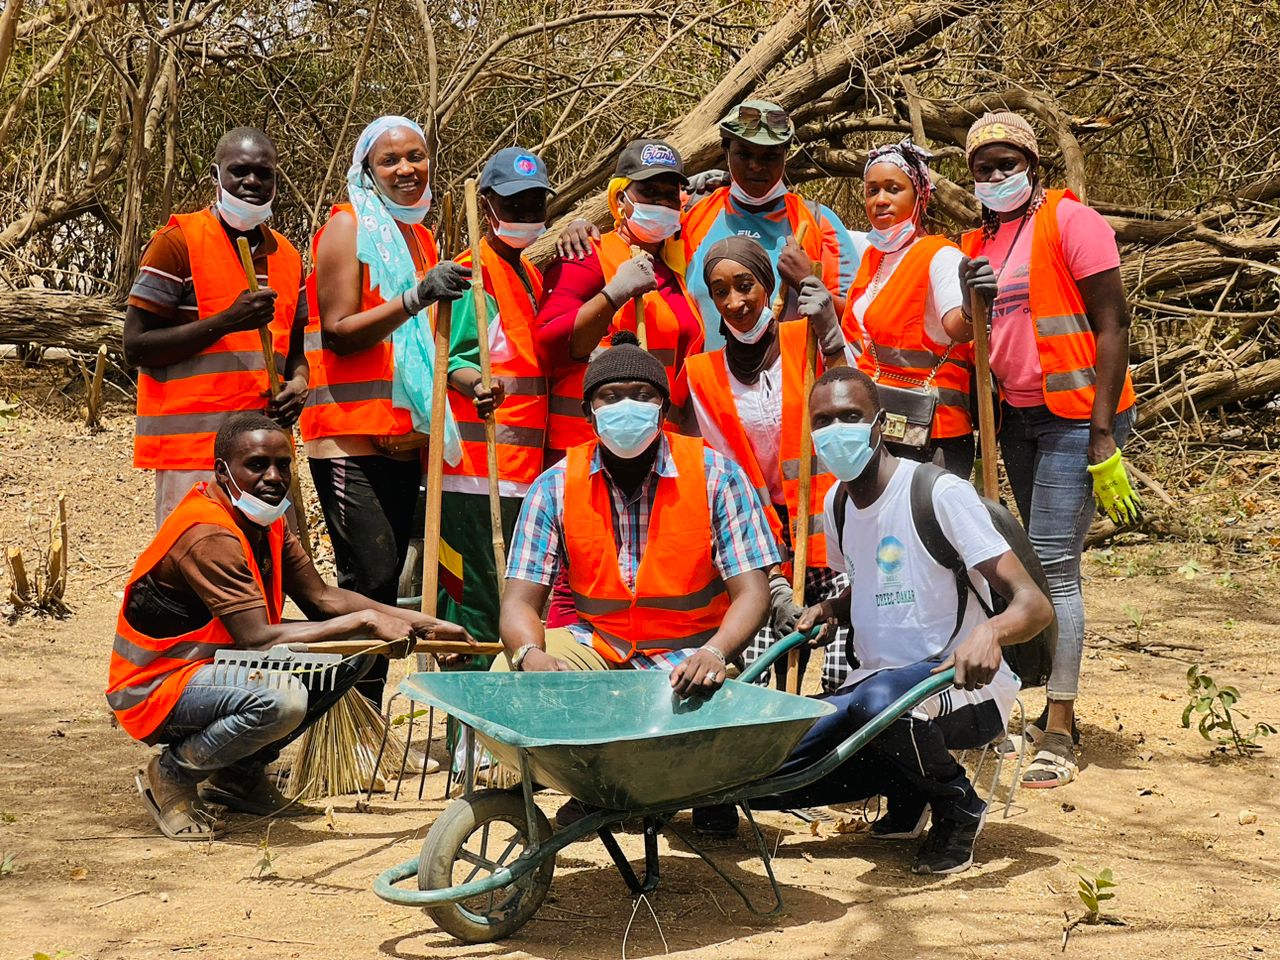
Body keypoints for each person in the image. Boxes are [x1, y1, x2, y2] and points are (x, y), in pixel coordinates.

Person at [107, 413, 473, 841]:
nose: (274, 477)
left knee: (357, 649)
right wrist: (369, 620)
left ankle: (239, 775)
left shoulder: (267, 521)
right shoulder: (209, 534)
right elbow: (257, 638)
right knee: (282, 700)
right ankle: (173, 773)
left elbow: (323, 598)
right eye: (257, 465)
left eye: (283, 464)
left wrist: (424, 624)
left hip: (212, 667)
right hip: (157, 688)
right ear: (222, 471)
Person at [757, 368, 1053, 875]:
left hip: (962, 686)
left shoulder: (937, 493)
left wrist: (990, 632)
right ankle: (908, 790)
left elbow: (1034, 604)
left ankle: (958, 807)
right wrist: (832, 609)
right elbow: (873, 580)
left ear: (880, 424)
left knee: (882, 705)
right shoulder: (837, 502)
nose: (836, 430)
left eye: (851, 416)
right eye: (823, 421)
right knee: (772, 770)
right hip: (876, 686)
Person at [497, 332, 778, 835]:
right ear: (589, 414)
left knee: (702, 701)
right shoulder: (555, 486)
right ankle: (594, 783)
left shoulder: (716, 476)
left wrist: (716, 652)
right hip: (602, 648)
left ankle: (702, 784)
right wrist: (529, 654)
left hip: (693, 656)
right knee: (508, 670)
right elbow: (519, 601)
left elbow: (753, 592)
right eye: (610, 396)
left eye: (642, 395)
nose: (626, 406)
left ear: (663, 408)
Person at [956, 112, 1140, 789]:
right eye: (984, 168)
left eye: (1007, 164)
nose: (996, 176)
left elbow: (1112, 323)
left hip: (1077, 416)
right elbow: (979, 334)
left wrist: (1102, 434)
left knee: (1056, 566)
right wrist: (969, 298)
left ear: (1033, 166)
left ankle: (1060, 726)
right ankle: (1030, 708)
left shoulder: (1070, 222)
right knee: (1029, 562)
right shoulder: (978, 241)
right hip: (1019, 417)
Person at [302, 115, 471, 703]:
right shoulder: (347, 228)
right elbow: (339, 332)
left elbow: (423, 347)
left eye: (415, 156)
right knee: (368, 581)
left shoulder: (419, 238)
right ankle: (344, 719)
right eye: (390, 160)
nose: (405, 169)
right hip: (348, 437)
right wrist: (416, 294)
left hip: (401, 441)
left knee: (388, 580)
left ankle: (362, 716)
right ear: (366, 170)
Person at [556, 101, 869, 350]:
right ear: (726, 152)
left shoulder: (818, 222)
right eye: (744, 154)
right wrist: (581, 225)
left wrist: (807, 284)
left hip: (792, 392)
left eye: (769, 156)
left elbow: (858, 319)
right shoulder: (691, 216)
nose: (756, 166)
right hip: (707, 394)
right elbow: (634, 233)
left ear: (786, 155)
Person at [679, 236, 850, 691]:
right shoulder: (703, 374)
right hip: (760, 539)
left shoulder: (805, 337)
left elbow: (853, 396)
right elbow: (727, 475)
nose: (735, 302)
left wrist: (830, 330)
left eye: (745, 285)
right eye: (720, 291)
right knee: (752, 672)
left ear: (767, 286)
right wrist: (772, 579)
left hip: (831, 528)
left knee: (843, 668)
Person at [124, 127, 309, 528]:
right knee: (200, 559)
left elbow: (296, 350)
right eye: (239, 171)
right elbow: (136, 346)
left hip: (266, 457)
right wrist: (227, 322)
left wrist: (298, 384)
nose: (252, 182)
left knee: (268, 560)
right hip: (195, 454)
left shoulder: (287, 255)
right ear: (216, 174)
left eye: (264, 174)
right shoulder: (177, 243)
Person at [438, 147, 554, 646]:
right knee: (474, 611)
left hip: (522, 475)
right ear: (487, 206)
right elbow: (452, 360)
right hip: (475, 475)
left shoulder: (529, 273)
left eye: (534, 203)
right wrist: (475, 385)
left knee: (515, 606)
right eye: (513, 203)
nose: (526, 213)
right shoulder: (473, 274)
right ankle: (463, 697)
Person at [535, 138, 705, 466]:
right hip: (586, 449)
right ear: (620, 198)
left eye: (670, 195)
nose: (661, 203)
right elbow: (548, 342)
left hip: (658, 451)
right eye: (649, 192)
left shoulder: (679, 267)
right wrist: (615, 294)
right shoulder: (588, 254)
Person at [842, 139, 975, 478]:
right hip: (879, 424)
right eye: (872, 191)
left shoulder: (940, 256)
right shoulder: (874, 257)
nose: (880, 200)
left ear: (920, 196)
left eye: (893, 189)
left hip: (934, 435)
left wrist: (972, 307)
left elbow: (958, 326)